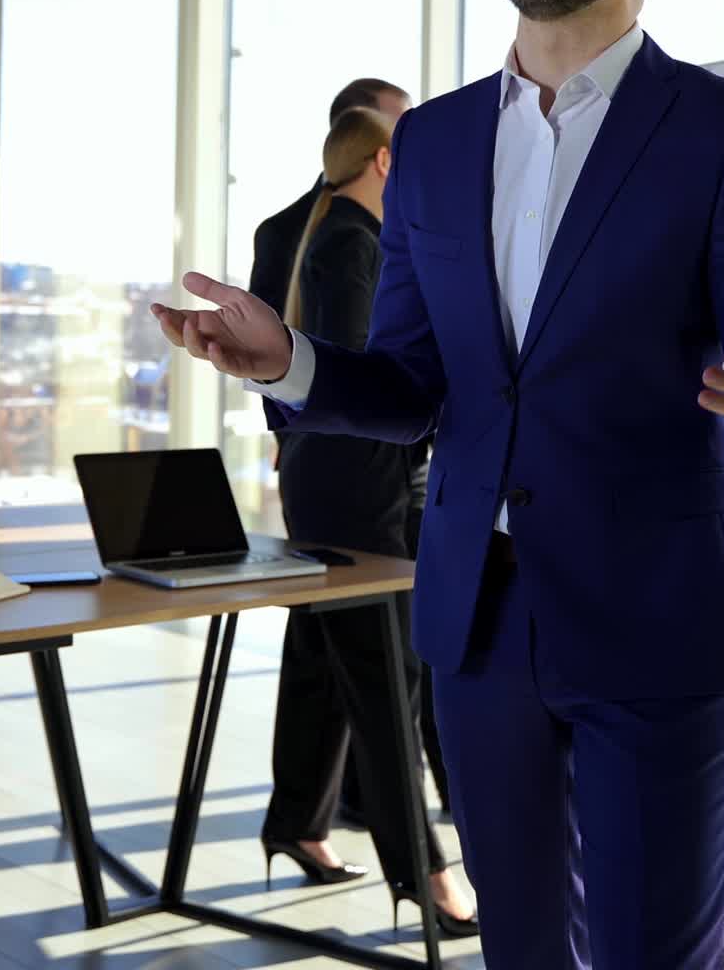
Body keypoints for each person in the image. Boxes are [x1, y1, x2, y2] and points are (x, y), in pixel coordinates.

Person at [151, 0, 724, 968]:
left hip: (653, 615)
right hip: (478, 619)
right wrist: (290, 361)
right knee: (520, 945)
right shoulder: (431, 141)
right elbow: (420, 383)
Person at [260, 108, 476, 937]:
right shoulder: (353, 241)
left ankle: (297, 824)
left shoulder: (326, 229)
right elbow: (375, 373)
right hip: (363, 488)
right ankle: (421, 870)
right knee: (390, 676)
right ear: (386, 161)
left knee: (326, 661)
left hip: (336, 482)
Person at [248, 77, 412, 320]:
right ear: (354, 128)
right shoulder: (282, 232)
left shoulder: (412, 221)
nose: (410, 141)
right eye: (399, 129)